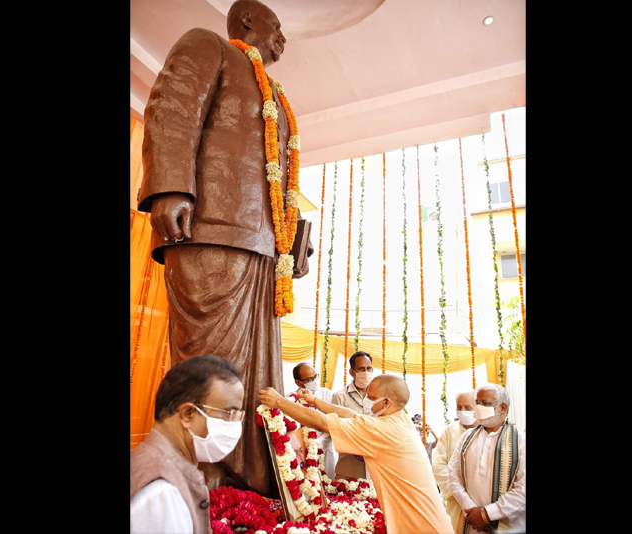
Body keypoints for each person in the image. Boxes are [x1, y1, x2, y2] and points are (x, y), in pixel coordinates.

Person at [136, 0, 312, 497]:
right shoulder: (209, 45)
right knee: (209, 359)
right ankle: (198, 473)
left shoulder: (276, 93)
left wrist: (293, 235)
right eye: (278, 28)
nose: (284, 39)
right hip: (209, 230)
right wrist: (171, 187)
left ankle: (252, 478)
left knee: (260, 370)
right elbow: (171, 107)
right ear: (249, 19)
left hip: (262, 249)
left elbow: (280, 181)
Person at [259, 374, 453, 534]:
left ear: (386, 402)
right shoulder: (400, 420)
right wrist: (315, 401)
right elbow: (352, 416)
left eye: (371, 396)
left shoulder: (382, 429)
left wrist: (278, 401)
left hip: (423, 527)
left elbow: (322, 423)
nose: (366, 400)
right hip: (431, 521)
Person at [130, 354, 246, 534]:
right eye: (229, 413)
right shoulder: (162, 494)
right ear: (188, 414)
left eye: (238, 416)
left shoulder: (148, 461)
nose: (234, 425)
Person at [447, 383, 525, 533]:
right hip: (471, 522)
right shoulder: (466, 438)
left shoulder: (521, 441)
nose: (479, 408)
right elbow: (453, 475)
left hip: (508, 525)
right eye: (477, 403)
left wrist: (487, 514)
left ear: (502, 408)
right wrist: (470, 509)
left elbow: (523, 490)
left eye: (485, 403)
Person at [431, 390, 479, 533]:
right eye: (459, 407)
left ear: (478, 407)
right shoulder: (449, 431)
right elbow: (438, 465)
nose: (463, 411)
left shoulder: (486, 430)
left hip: (482, 503)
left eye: (468, 407)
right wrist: (458, 494)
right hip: (455, 501)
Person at [329, 351, 374, 480]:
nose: (366, 372)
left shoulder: (380, 396)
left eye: (369, 368)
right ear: (352, 372)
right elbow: (334, 431)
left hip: (377, 468)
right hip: (349, 468)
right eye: (361, 369)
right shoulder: (340, 397)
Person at [292, 362, 337, 479]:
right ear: (298, 382)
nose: (314, 381)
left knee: (328, 487)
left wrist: (317, 447)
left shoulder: (327, 394)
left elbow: (332, 423)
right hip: (304, 453)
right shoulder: (292, 399)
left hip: (326, 451)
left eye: (315, 377)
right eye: (309, 379)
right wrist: (308, 449)